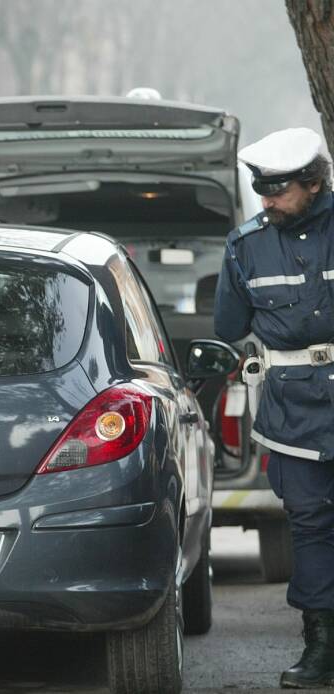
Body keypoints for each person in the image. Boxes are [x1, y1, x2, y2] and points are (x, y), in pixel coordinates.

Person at [215, 127, 334, 689]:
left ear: (313, 183)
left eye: (278, 189)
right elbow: (228, 327)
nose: (265, 199)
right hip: (293, 414)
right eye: (260, 188)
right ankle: (322, 649)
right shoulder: (245, 245)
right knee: (309, 527)